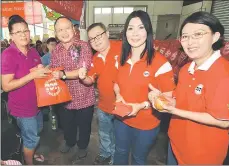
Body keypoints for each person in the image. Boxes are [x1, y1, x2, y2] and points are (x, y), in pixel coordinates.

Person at [149, 11, 229, 165]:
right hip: (176, 144)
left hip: (202, 155)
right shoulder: (186, 68)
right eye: (185, 36)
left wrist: (173, 111)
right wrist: (162, 97)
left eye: (198, 34)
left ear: (215, 37)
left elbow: (222, 120)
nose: (190, 42)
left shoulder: (225, 74)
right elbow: (180, 100)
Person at [113, 10, 176, 165]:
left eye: (141, 28)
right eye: (130, 28)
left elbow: (169, 99)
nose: (135, 33)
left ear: (148, 31)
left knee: (138, 158)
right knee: (120, 152)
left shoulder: (161, 63)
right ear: (125, 32)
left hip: (147, 124)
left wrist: (143, 105)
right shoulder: (121, 59)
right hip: (121, 119)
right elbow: (116, 84)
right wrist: (118, 95)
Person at [1, 15, 50, 165]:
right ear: (11, 36)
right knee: (32, 137)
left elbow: (37, 72)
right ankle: (29, 162)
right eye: (18, 32)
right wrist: (32, 74)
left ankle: (30, 151)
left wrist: (43, 70)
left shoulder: (34, 52)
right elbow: (6, 86)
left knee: (37, 131)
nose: (23, 34)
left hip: (37, 104)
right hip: (22, 109)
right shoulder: (8, 55)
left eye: (25, 31)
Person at [50, 16, 95, 164]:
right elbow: (54, 70)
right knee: (67, 125)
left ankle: (82, 146)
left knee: (84, 126)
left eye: (67, 28)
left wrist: (63, 75)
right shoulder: (56, 50)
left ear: (73, 29)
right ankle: (69, 142)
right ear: (56, 34)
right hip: (65, 98)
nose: (64, 32)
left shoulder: (83, 46)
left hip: (84, 97)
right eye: (60, 30)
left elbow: (84, 69)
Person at [78, 22, 122, 164]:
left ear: (107, 34)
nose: (96, 40)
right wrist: (83, 77)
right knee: (104, 134)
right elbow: (90, 80)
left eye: (99, 35)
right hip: (103, 106)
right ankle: (105, 153)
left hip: (121, 106)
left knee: (117, 136)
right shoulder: (95, 58)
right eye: (92, 38)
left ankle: (114, 160)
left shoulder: (123, 49)